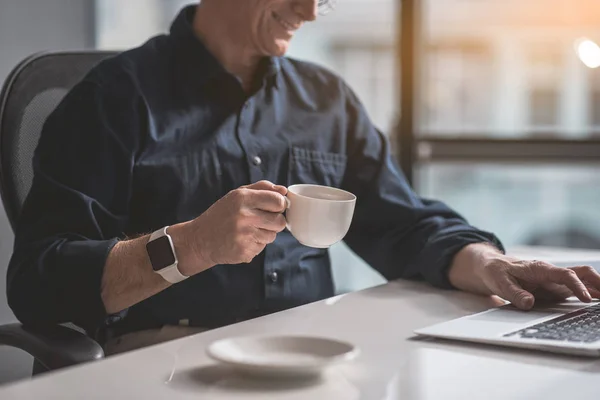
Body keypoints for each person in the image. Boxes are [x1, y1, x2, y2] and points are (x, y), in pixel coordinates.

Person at [7, 0, 600, 353]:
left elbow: (403, 222)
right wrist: (191, 246)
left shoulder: (326, 99)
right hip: (167, 358)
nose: (313, 10)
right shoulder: (112, 99)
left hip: (312, 351)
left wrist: (491, 265)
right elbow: (40, 284)